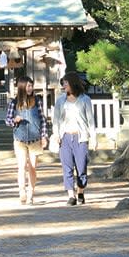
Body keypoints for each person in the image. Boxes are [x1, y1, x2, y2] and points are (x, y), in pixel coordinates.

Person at [52, 71, 96, 206]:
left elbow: (90, 120)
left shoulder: (85, 99)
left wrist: (94, 138)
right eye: (63, 83)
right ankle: (71, 195)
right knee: (67, 167)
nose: (64, 85)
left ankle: (80, 191)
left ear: (72, 83)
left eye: (66, 82)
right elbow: (56, 120)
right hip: (65, 137)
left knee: (81, 167)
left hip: (80, 137)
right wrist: (57, 135)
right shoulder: (60, 100)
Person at [5, 76, 48, 205]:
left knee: (33, 167)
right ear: (22, 87)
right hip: (20, 138)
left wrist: (44, 136)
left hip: (35, 138)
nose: (30, 88)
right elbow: (7, 120)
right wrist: (14, 120)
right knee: (22, 166)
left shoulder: (37, 101)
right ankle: (22, 191)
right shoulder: (14, 103)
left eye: (31, 86)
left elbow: (43, 119)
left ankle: (31, 193)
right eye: (28, 86)